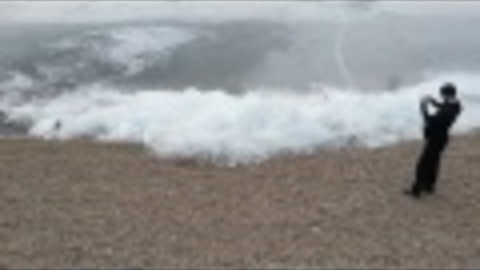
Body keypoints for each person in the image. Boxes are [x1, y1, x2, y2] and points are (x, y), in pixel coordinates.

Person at [405, 83, 462, 199]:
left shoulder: (447, 111)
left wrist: (423, 109)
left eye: (442, 94)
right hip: (442, 137)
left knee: (423, 164)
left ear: (446, 94)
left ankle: (416, 190)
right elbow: (443, 106)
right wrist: (433, 102)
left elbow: (430, 121)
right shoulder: (455, 105)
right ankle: (429, 186)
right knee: (434, 162)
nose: (441, 96)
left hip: (436, 138)